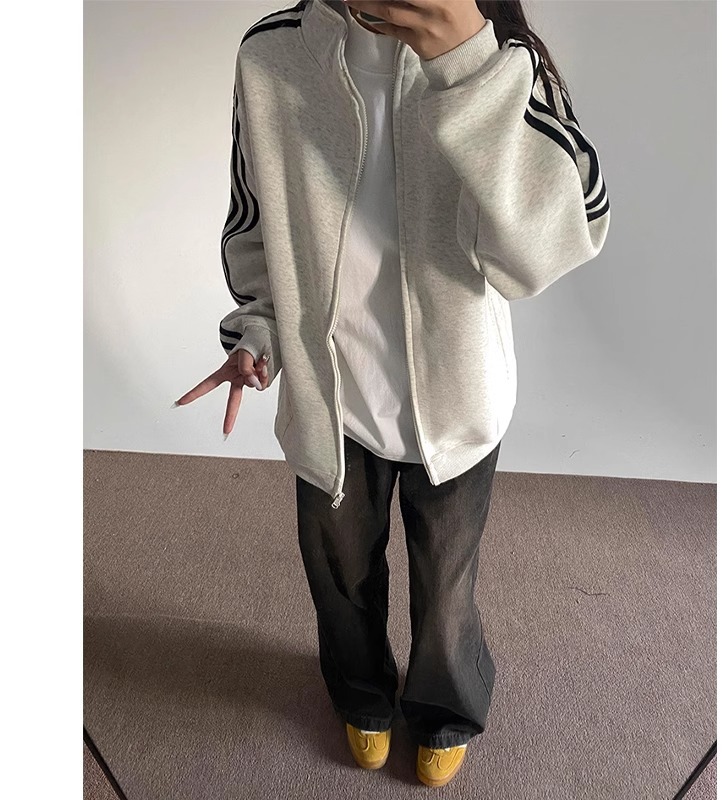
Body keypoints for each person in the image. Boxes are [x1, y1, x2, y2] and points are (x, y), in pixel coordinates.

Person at [175, 0, 610, 787]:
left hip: (458, 402)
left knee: (447, 592)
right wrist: (258, 334)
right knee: (339, 580)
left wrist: (469, 67)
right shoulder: (272, 55)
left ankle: (446, 710)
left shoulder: (503, 56)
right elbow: (258, 223)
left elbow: (548, 250)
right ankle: (362, 696)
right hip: (330, 403)